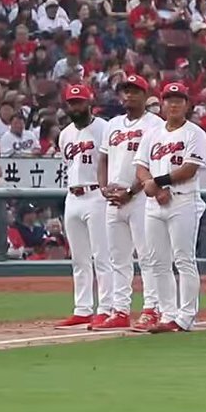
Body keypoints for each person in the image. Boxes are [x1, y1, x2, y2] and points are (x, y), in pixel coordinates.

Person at [134, 82, 206, 333]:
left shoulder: (194, 132)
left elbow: (190, 168)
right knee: (158, 261)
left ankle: (186, 316)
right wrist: (151, 185)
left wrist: (157, 182)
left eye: (179, 99)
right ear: (163, 103)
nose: (174, 103)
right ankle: (168, 313)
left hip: (183, 199)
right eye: (169, 99)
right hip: (154, 202)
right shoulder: (153, 133)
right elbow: (141, 165)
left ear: (187, 104)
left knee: (183, 259)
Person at [101, 74, 164, 331]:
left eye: (134, 91)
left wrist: (131, 190)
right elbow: (103, 158)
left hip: (140, 198)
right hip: (114, 198)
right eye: (125, 91)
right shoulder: (113, 124)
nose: (129, 95)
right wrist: (104, 187)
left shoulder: (155, 124)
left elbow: (153, 165)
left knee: (147, 255)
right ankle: (120, 310)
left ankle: (152, 308)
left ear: (144, 95)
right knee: (118, 257)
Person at [54, 84, 114, 329]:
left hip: (96, 194)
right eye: (71, 103)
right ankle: (82, 309)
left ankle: (106, 308)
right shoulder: (65, 134)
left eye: (79, 102)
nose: (75, 107)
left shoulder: (104, 128)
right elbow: (68, 163)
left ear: (90, 102)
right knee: (79, 258)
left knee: (102, 256)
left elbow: (112, 160)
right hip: (73, 195)